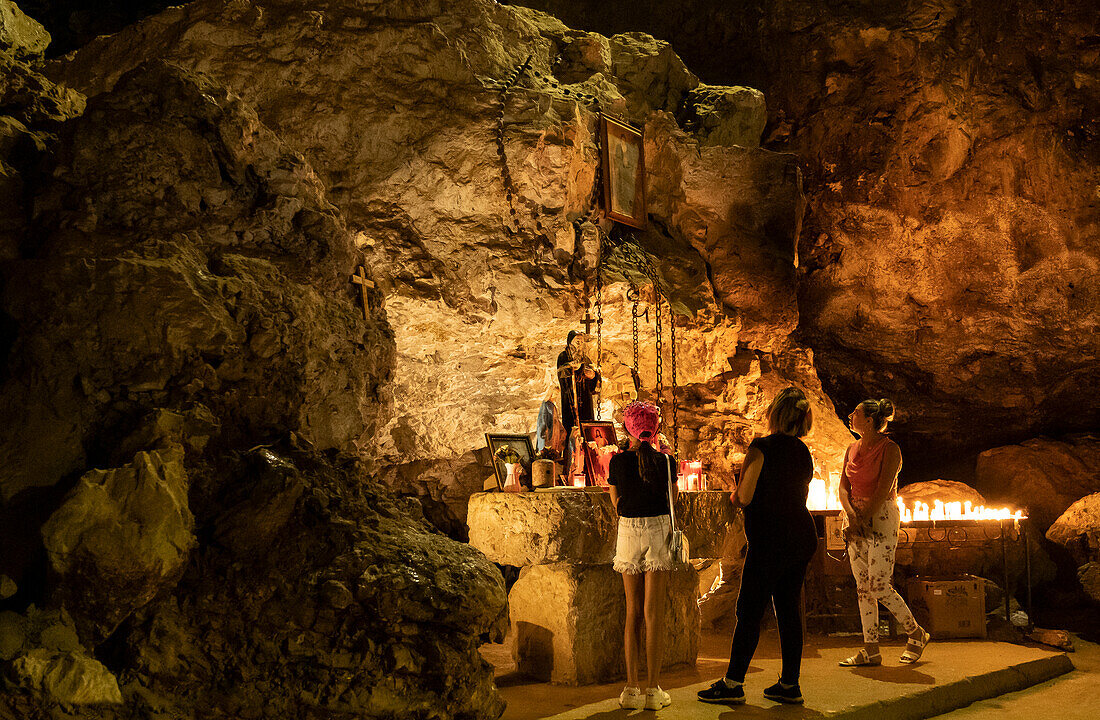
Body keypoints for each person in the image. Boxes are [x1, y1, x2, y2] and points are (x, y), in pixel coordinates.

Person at [697, 387, 817, 706]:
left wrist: (735, 496)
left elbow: (746, 495)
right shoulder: (804, 451)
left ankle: (733, 683)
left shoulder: (761, 446)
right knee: (788, 610)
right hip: (801, 536)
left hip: (770, 538)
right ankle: (790, 684)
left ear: (775, 413)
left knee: (749, 610)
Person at [837, 398, 929, 667]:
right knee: (863, 587)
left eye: (855, 412)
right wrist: (852, 517)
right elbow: (843, 487)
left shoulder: (890, 449)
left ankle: (915, 633)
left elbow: (883, 488)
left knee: (879, 585)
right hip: (855, 519)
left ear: (868, 420)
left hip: (881, 518)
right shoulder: (851, 449)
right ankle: (871, 648)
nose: (850, 415)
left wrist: (863, 517)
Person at [609, 401, 677, 711]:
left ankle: (630, 688)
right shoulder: (666, 462)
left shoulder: (617, 462)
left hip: (628, 530)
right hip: (658, 529)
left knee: (632, 611)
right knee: (653, 614)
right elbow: (673, 498)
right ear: (655, 428)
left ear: (627, 429)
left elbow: (615, 498)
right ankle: (653, 689)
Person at [535, 386, 566, 457]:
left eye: (557, 394)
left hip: (554, 434)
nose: (556, 396)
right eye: (555, 393)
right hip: (549, 435)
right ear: (551, 393)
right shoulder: (546, 404)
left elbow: (556, 420)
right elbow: (542, 421)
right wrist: (543, 439)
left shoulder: (552, 405)